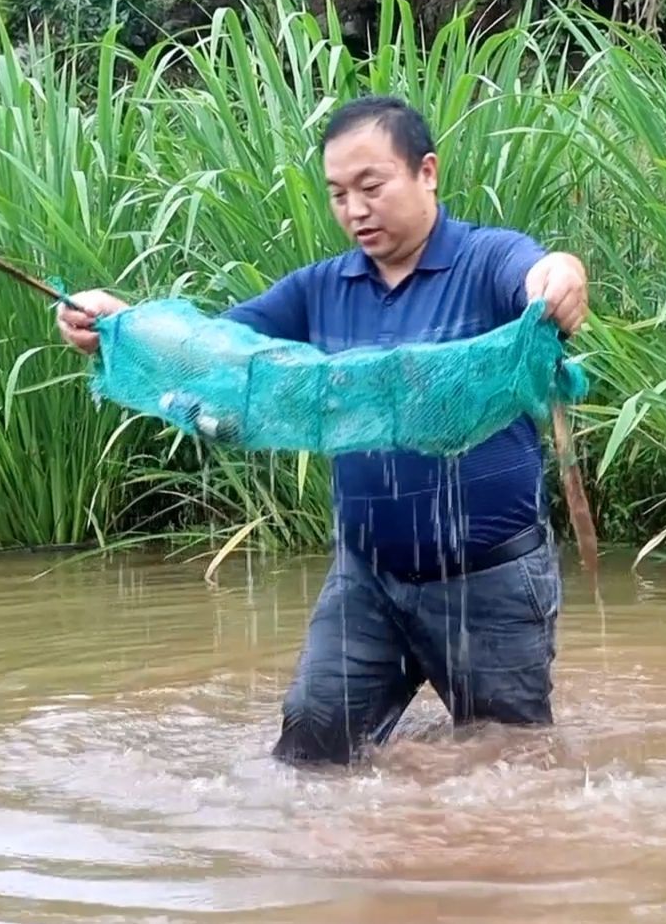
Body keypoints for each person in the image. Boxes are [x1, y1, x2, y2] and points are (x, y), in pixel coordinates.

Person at [54, 94, 591, 766]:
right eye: (338, 194)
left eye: (372, 187)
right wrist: (119, 323)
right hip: (366, 580)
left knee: (511, 768)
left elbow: (542, 270)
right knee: (310, 749)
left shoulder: (486, 261)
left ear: (428, 172)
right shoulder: (319, 289)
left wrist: (562, 276)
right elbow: (214, 350)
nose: (354, 211)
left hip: (491, 581)